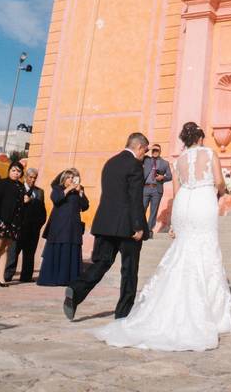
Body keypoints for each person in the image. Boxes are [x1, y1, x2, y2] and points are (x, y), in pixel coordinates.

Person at [94, 122, 231, 351]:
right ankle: (211, 313)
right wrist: (224, 190)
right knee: (207, 248)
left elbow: (177, 192)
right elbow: (219, 182)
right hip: (204, 203)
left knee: (184, 249)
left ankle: (171, 304)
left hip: (185, 205)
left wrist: (174, 223)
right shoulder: (210, 153)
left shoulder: (178, 160)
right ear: (200, 138)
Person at [64, 132, 149, 321]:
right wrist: (138, 226)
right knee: (129, 269)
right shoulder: (135, 165)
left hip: (104, 223)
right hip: (127, 226)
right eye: (146, 150)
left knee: (100, 263)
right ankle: (123, 313)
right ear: (139, 147)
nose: (146, 154)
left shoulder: (110, 163)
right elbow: (135, 197)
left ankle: (76, 290)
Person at [38, 168, 90, 287]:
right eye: (68, 177)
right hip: (59, 226)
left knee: (71, 249)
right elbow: (56, 199)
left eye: (73, 178)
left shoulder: (79, 190)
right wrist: (68, 189)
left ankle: (69, 279)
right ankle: (53, 278)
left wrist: (80, 192)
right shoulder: (58, 189)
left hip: (73, 227)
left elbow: (85, 206)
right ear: (64, 179)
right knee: (59, 249)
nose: (71, 180)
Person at [4, 167, 47, 283]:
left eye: (35, 178)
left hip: (33, 228)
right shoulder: (18, 188)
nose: (32, 180)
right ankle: (7, 275)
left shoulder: (39, 192)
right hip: (19, 227)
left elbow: (43, 211)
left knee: (29, 253)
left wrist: (39, 224)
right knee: (13, 252)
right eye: (30, 177)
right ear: (25, 177)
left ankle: (26, 276)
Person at [142, 144, 172, 239]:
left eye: (157, 150)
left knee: (153, 211)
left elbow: (170, 176)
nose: (155, 152)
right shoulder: (146, 159)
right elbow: (139, 153)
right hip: (145, 188)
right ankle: (140, 229)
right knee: (141, 209)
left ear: (160, 151)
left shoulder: (165, 163)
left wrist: (163, 177)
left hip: (157, 189)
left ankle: (149, 230)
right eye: (154, 150)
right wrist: (148, 148)